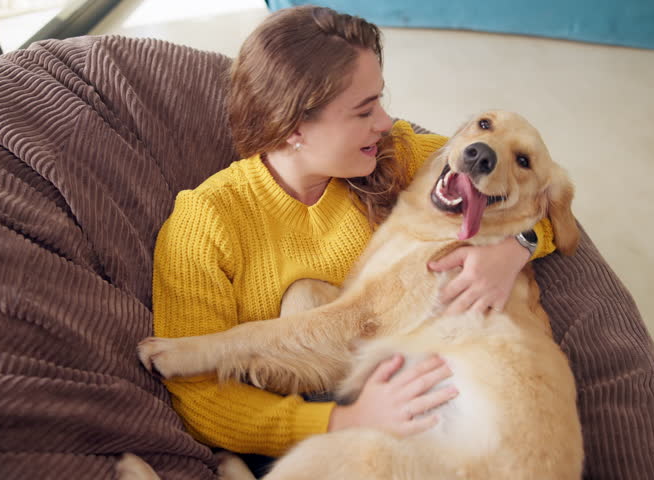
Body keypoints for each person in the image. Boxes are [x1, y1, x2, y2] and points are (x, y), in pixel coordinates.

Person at [151, 4, 556, 466]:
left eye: (380, 100)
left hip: (421, 390)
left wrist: (513, 248)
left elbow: (527, 190)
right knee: (300, 299)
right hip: (309, 428)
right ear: (294, 127)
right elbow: (198, 402)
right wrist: (343, 422)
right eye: (365, 111)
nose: (385, 121)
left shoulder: (397, 152)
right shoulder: (206, 223)